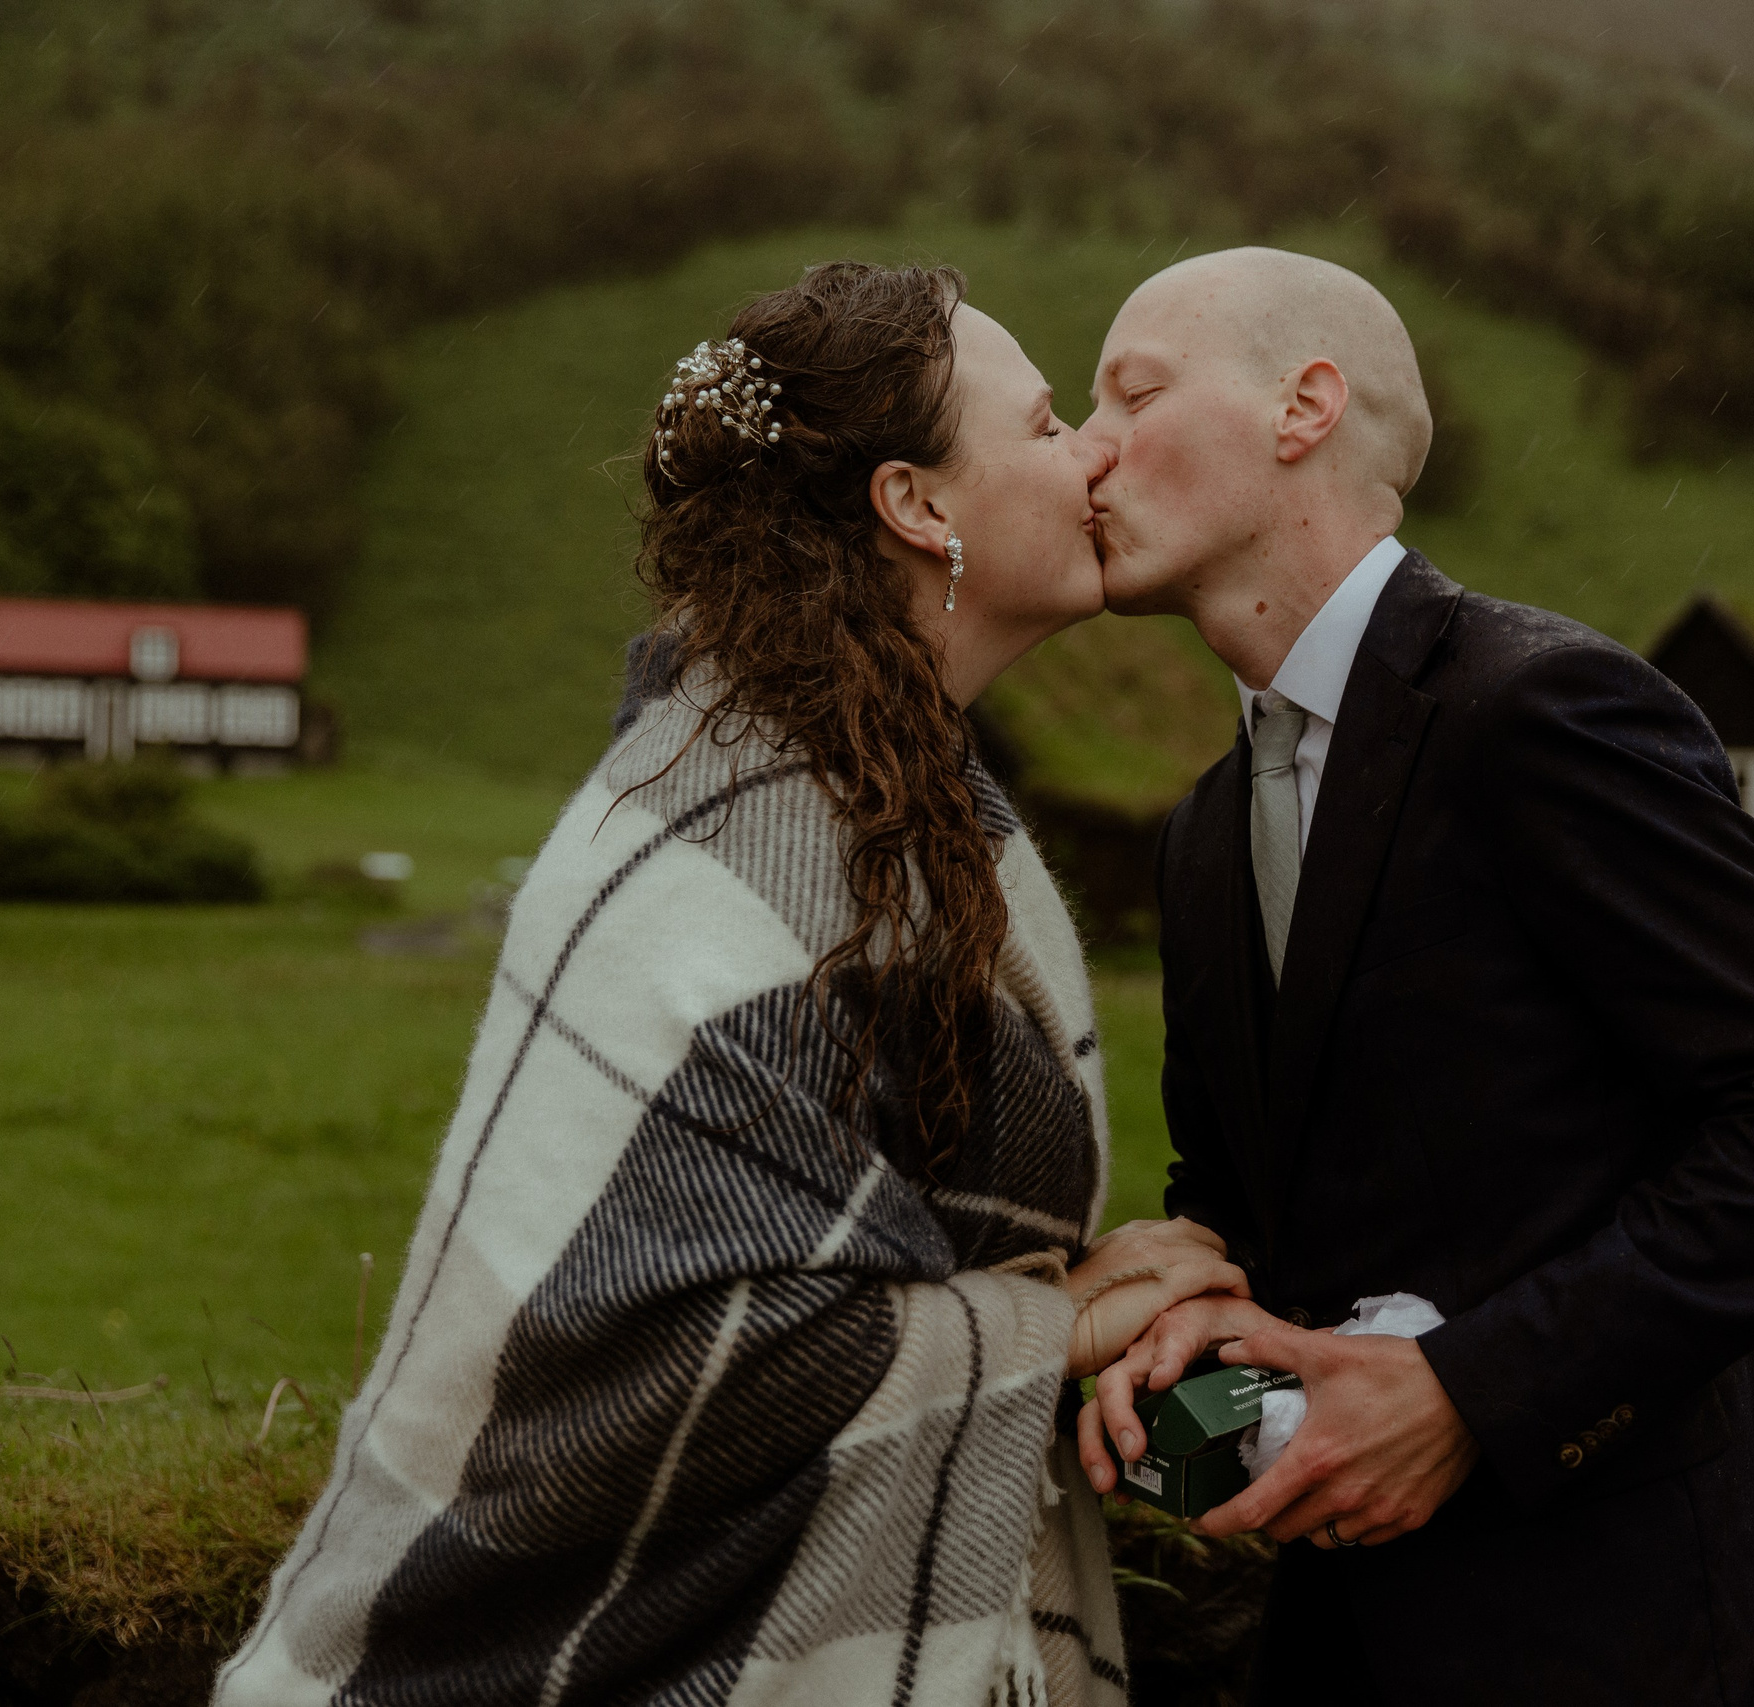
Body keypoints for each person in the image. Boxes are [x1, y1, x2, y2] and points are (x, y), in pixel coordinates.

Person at [216, 262, 1245, 1707]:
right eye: (1045, 422)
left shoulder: (884, 800)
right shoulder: (734, 840)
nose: (1093, 453)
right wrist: (1047, 1328)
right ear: (920, 505)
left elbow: (872, 1240)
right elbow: (671, 1358)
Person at [1071, 248, 1754, 1705]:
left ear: (1304, 408)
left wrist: (1473, 1393)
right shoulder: (1205, 836)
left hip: (1630, 1631)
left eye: (1133, 392)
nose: (1087, 445)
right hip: (1346, 1637)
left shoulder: (1539, 711)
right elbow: (1258, 1191)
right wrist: (1188, 1307)